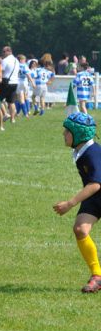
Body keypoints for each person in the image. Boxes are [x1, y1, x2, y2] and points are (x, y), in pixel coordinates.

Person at [54, 113, 101, 293]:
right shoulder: (81, 151)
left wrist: (70, 203)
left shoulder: (92, 153)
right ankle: (97, 276)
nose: (64, 134)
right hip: (96, 195)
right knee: (80, 229)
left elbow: (95, 183)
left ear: (79, 134)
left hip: (96, 190)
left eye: (67, 131)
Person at [0, 46, 19, 123]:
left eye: (4, 52)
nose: (3, 53)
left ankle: (5, 114)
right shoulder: (16, 60)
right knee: (11, 102)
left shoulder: (5, 60)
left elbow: (1, 71)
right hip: (15, 82)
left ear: (8, 51)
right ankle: (12, 119)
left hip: (6, 81)